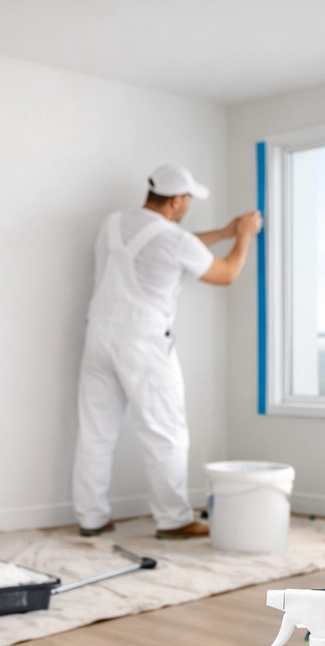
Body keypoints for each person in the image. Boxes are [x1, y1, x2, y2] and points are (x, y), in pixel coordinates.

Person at [72, 163, 261, 540]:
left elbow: (172, 245)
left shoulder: (115, 223)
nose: (189, 204)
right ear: (176, 200)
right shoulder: (174, 240)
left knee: (95, 432)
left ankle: (91, 516)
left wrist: (223, 231)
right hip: (143, 341)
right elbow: (225, 274)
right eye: (189, 199)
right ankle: (174, 520)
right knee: (166, 432)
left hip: (99, 338)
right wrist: (243, 237)